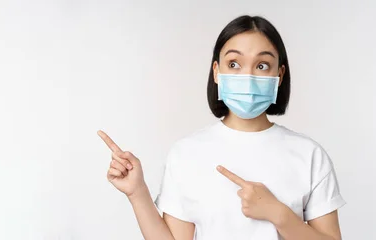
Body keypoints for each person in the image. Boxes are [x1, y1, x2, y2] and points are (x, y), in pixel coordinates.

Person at [97, 15, 346, 240]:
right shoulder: (187, 153)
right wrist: (137, 193)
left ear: (279, 76)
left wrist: (279, 214)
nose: (247, 77)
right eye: (234, 64)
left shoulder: (309, 155)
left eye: (262, 66)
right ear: (217, 72)